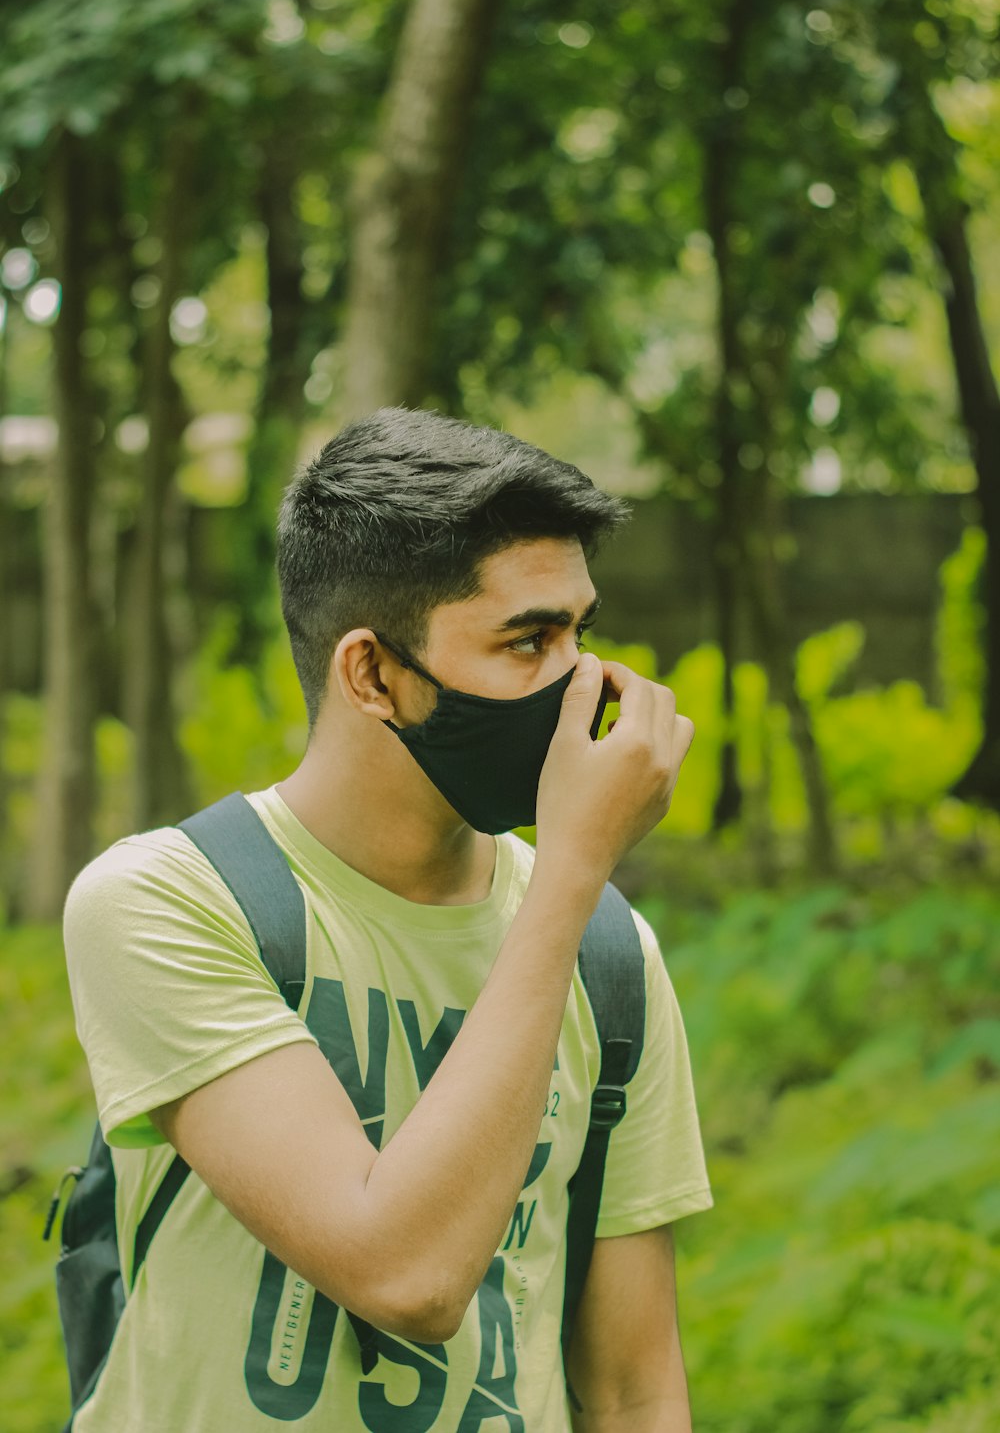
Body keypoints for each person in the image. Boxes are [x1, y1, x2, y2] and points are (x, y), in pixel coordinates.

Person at [63, 407, 712, 1432]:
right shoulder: (166, 901)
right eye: (528, 639)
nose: (585, 683)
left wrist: (568, 892)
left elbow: (634, 1389)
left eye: (581, 632)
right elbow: (406, 1273)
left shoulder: (608, 954)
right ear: (371, 674)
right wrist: (572, 869)